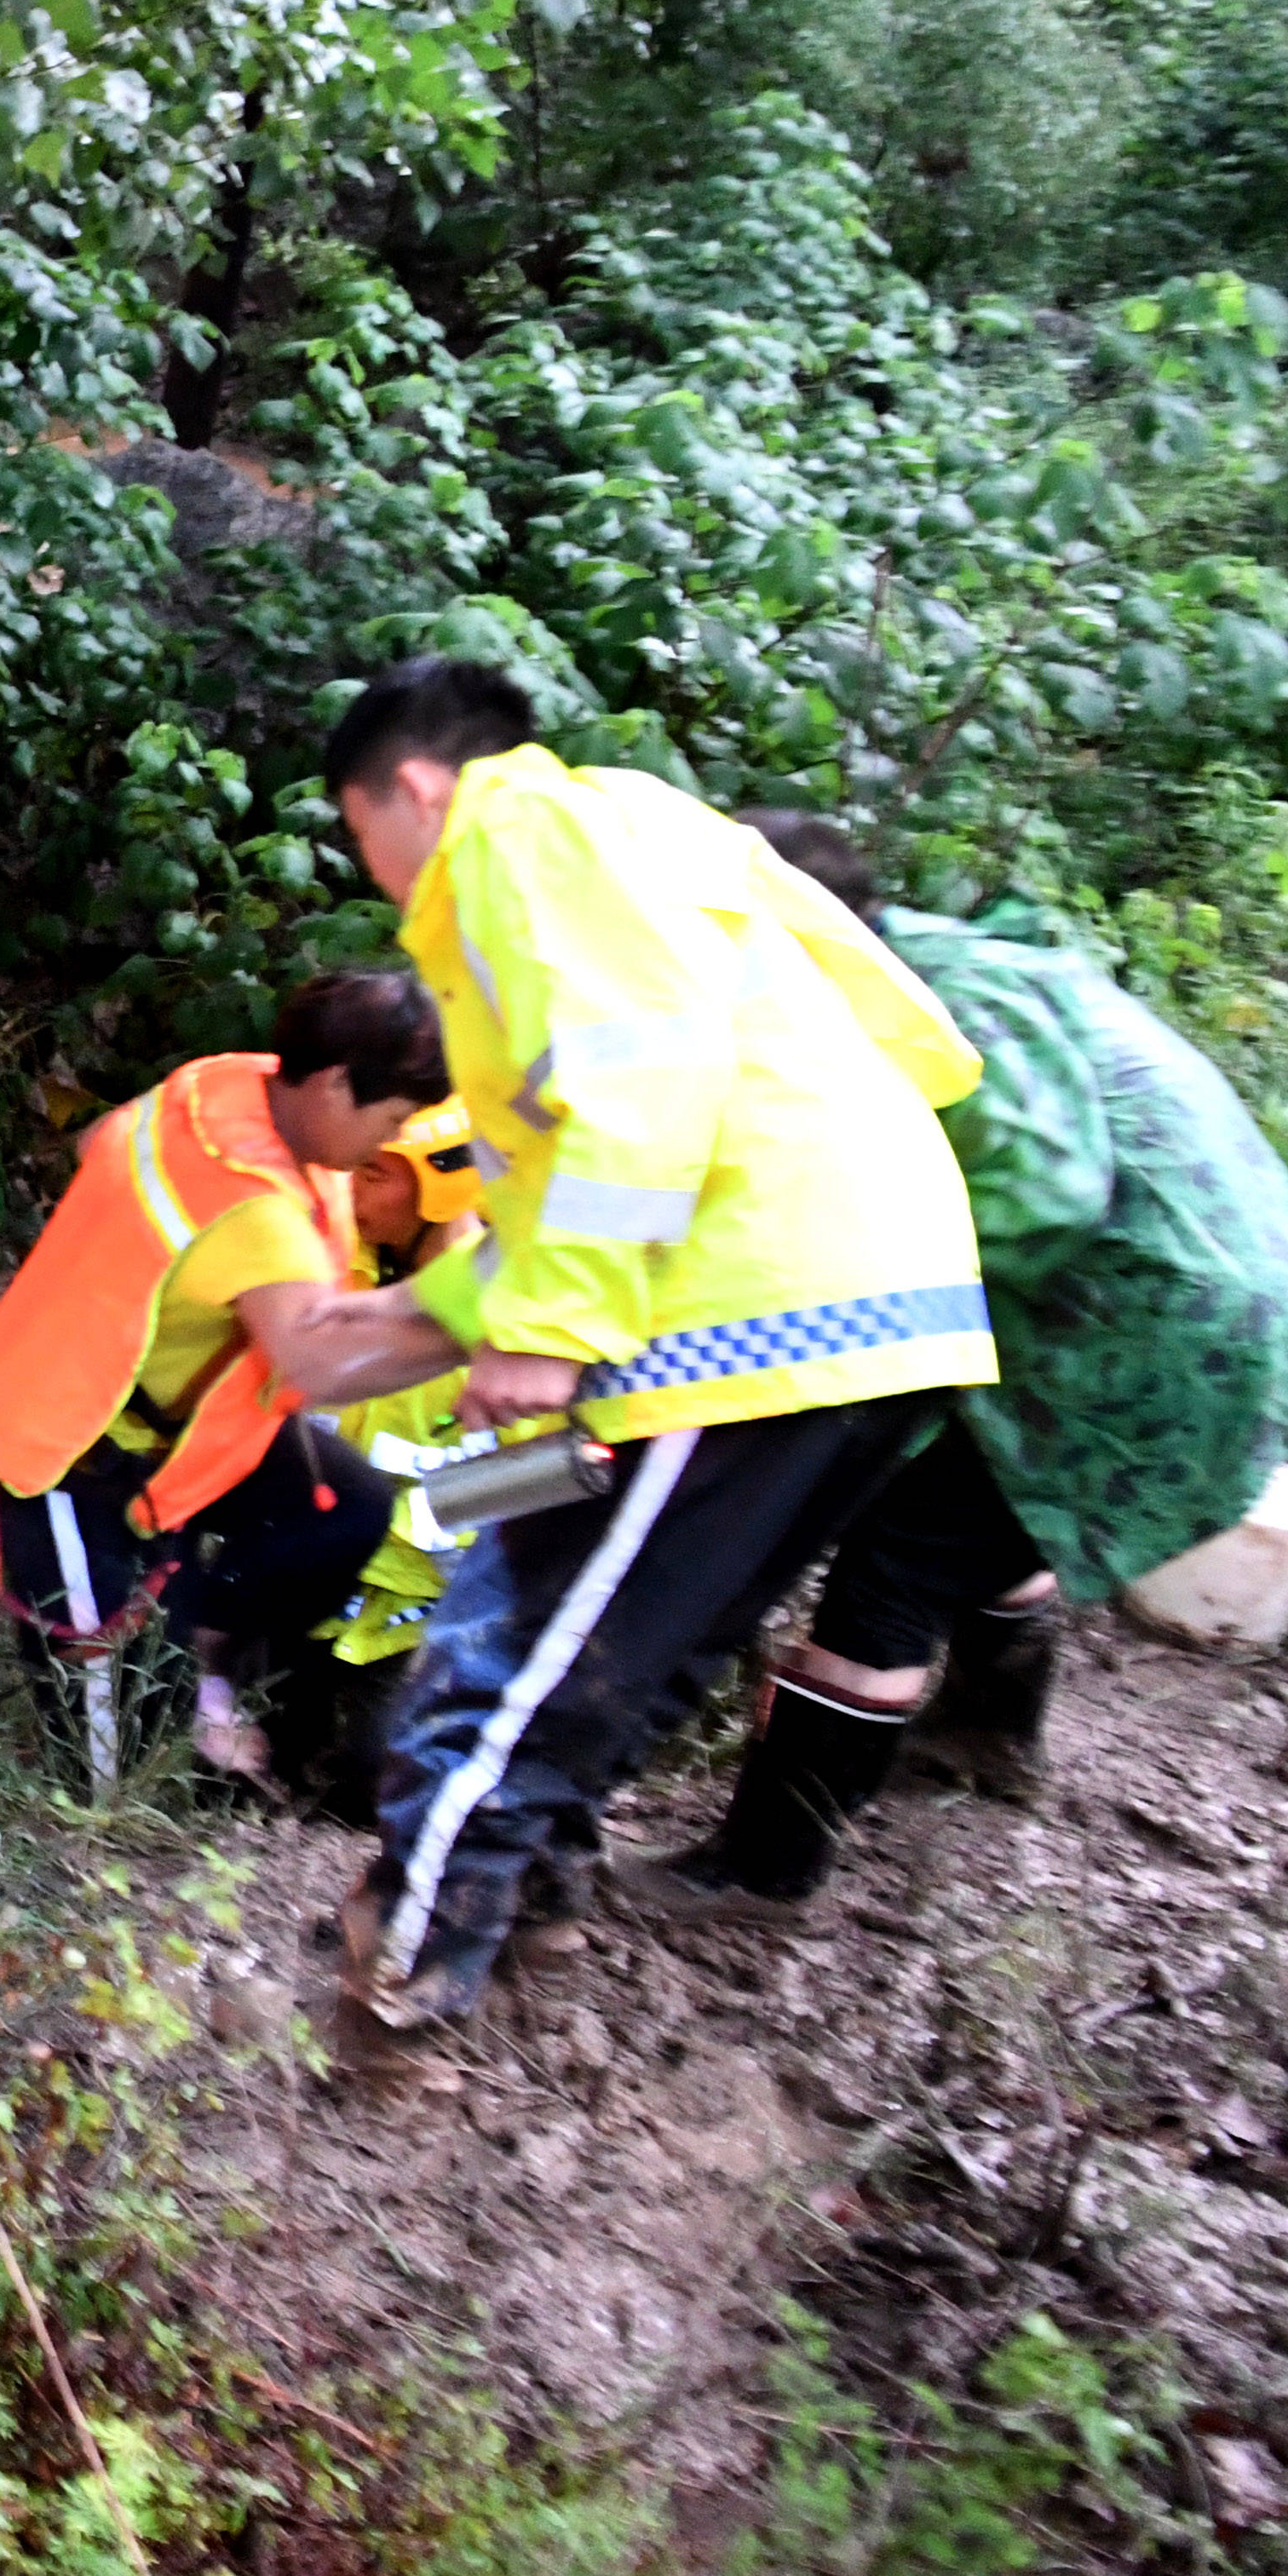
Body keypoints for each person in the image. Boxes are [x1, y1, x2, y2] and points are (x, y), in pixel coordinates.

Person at [313, 658, 995, 2051]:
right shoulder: (642, 838)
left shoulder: (521, 836)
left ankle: (392, 2005)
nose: (365, 867)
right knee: (605, 1643)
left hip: (738, 1314)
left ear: (413, 787)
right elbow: (594, 1164)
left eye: (352, 826)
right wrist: (420, 1326)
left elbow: (640, 1087)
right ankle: (531, 1922)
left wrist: (543, 1341)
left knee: (498, 1668)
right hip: (857, 1310)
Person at [610, 811, 1288, 1923]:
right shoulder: (937, 961)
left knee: (895, 1561)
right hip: (1203, 1301)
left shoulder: (937, 1010)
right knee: (989, 1508)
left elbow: (1037, 1201)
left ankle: (765, 1869)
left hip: (1151, 1328)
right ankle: (990, 1732)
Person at [0, 969, 464, 1781]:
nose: (387, 1142)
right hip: (73, 1448)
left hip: (181, 1426)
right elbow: (316, 1363)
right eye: (394, 1117)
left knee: (347, 1512)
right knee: (113, 1769)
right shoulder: (255, 1209)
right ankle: (162, 1689)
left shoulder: (222, 1082)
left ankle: (199, 1652)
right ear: (336, 1086)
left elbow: (99, 1143)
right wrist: (479, 1331)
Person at [227, 1101, 492, 1818]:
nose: (352, 1189)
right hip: (304, 1578)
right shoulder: (327, 1265)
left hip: (410, 1610)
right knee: (244, 1763)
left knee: (372, 1783)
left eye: (375, 1174)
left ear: (442, 1187)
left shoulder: (505, 1319)